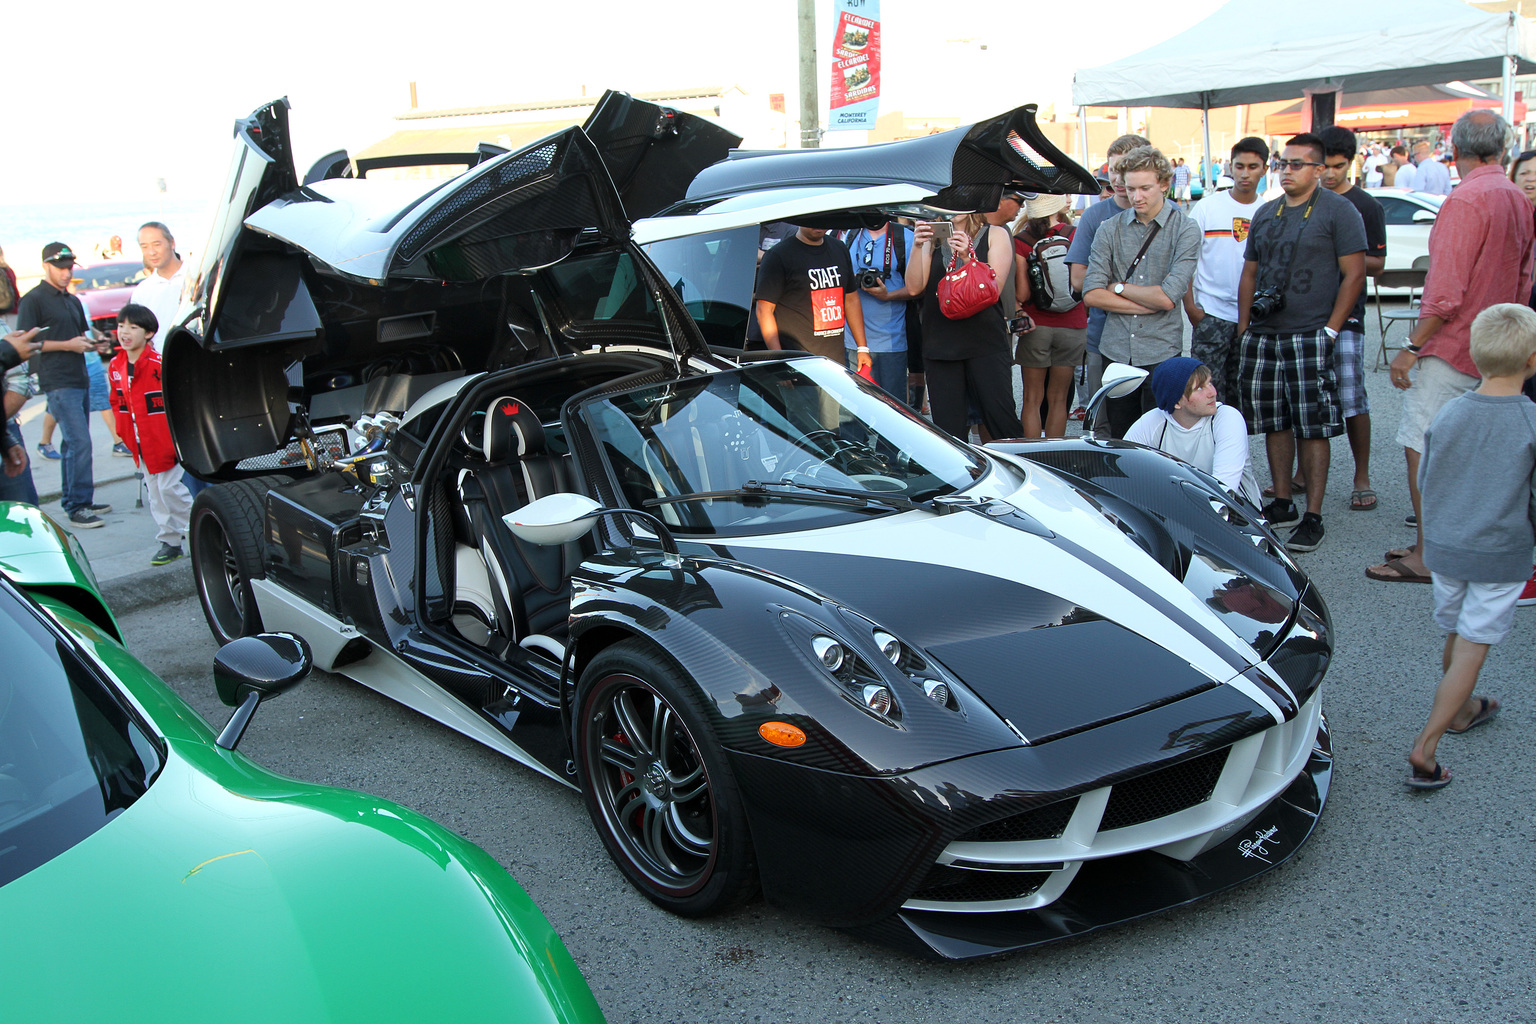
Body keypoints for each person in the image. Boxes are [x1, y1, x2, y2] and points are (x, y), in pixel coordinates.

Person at [1370, 110, 1535, 583]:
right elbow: (1523, 278)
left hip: (1457, 343)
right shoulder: (1514, 198)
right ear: (1501, 148)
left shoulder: (1468, 200)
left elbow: (1445, 291)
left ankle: (1428, 552)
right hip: (1501, 344)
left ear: (1455, 149)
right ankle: (1444, 544)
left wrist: (1410, 346)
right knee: (1481, 452)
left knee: (1424, 444)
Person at [1403, 303, 1536, 789]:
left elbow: (1429, 479)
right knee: (1474, 646)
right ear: (1532, 360)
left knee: (1457, 634)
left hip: (1446, 546)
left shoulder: (1450, 413)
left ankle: (1462, 711)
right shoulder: (1529, 422)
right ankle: (1427, 744)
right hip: (1499, 552)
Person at [1237, 133, 1366, 554]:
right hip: (1266, 333)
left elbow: (1355, 274)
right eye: (1283, 163)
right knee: (1274, 421)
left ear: (1318, 169)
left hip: (1311, 330)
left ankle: (1313, 515)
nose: (1286, 171)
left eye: (1296, 164)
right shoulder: (1267, 212)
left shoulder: (1339, 211)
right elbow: (1250, 273)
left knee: (1313, 424)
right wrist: (1244, 328)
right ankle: (1282, 501)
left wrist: (1330, 329)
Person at [1083, 145, 1201, 437]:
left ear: (1164, 184)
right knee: (1120, 438)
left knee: (1161, 440)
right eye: (1130, 188)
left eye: (1145, 188)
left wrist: (1119, 287)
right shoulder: (1109, 229)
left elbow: (1168, 296)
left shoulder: (1185, 229)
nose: (1137, 197)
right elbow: (1092, 293)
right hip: (1116, 350)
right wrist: (1151, 301)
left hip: (1162, 350)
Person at [14, 244, 110, 529]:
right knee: (79, 441)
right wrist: (67, 346)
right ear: (46, 266)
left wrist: (97, 342)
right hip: (56, 379)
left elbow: (82, 333)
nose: (67, 273)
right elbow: (26, 342)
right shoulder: (34, 300)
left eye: (70, 267)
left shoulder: (71, 299)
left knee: (74, 442)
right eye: (61, 267)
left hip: (79, 375)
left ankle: (79, 498)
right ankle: (77, 506)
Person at [1317, 126, 1387, 512]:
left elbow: (1377, 264)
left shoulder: (1365, 205)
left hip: (1349, 317)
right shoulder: (1305, 202)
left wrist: (1344, 255)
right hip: (1306, 314)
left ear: (1351, 163)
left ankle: (1362, 475)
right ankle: (1300, 474)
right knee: (1306, 396)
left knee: (1352, 396)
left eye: (1337, 167)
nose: (1329, 174)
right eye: (1323, 166)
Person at [904, 209, 1018, 441]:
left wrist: (968, 257)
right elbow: (914, 288)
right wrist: (917, 246)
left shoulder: (994, 234)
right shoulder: (931, 239)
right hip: (941, 343)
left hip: (985, 341)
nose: (951, 210)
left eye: (957, 203)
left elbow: (994, 289)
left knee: (1001, 420)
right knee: (948, 431)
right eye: (945, 203)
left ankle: (1019, 472)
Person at [1185, 137, 1269, 428]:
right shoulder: (1208, 208)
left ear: (1264, 169)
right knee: (1204, 390)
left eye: (1253, 167)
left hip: (1254, 317)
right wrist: (1192, 308)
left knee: (1241, 394)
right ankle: (1202, 450)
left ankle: (1233, 451)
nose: (1245, 173)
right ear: (1230, 168)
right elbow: (1185, 260)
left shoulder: (1269, 211)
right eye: (1240, 166)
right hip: (1212, 313)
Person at [1068, 134, 1151, 421]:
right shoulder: (1095, 216)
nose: (1116, 177)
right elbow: (1080, 281)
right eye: (1112, 169)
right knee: (1103, 427)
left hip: (1156, 341)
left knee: (1152, 426)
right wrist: (1138, 294)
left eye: (1124, 169)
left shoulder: (1171, 215)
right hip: (1102, 339)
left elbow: (1170, 289)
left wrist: (1108, 286)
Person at [108, 304, 192, 565]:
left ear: (148, 333)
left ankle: (200, 529)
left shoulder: (159, 364)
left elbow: (179, 401)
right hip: (139, 441)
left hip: (164, 439)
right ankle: (170, 541)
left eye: (133, 327)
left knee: (170, 489)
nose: (125, 332)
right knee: (155, 493)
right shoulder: (115, 365)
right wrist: (122, 432)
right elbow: (116, 401)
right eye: (122, 325)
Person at [1124, 357, 1261, 506]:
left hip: (1236, 512)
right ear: (1176, 402)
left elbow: (1224, 490)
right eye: (1200, 388)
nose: (1213, 392)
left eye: (1210, 383)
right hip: (1175, 511)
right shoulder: (1150, 423)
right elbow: (1122, 473)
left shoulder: (1227, 418)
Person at [1013, 193, 1086, 438]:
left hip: (1037, 327)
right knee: (1058, 399)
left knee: (1032, 399)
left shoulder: (1021, 240)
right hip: (1073, 325)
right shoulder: (1075, 234)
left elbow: (1022, 293)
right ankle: (1053, 453)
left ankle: (1032, 456)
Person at [754, 224, 871, 371]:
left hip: (836, 362)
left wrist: (862, 347)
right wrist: (779, 360)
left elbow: (851, 299)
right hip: (797, 363)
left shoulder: (839, 248)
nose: (818, 225)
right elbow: (764, 311)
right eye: (812, 220)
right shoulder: (778, 255)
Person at [842, 219, 915, 402]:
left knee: (893, 409)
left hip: (891, 342)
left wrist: (888, 294)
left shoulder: (904, 237)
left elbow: (918, 288)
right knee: (854, 410)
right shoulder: (850, 235)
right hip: (852, 342)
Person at [129, 221, 185, 344]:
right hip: (159, 360)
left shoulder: (197, 277)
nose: (151, 252)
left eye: (157, 244)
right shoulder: (142, 290)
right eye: (144, 247)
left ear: (172, 243)